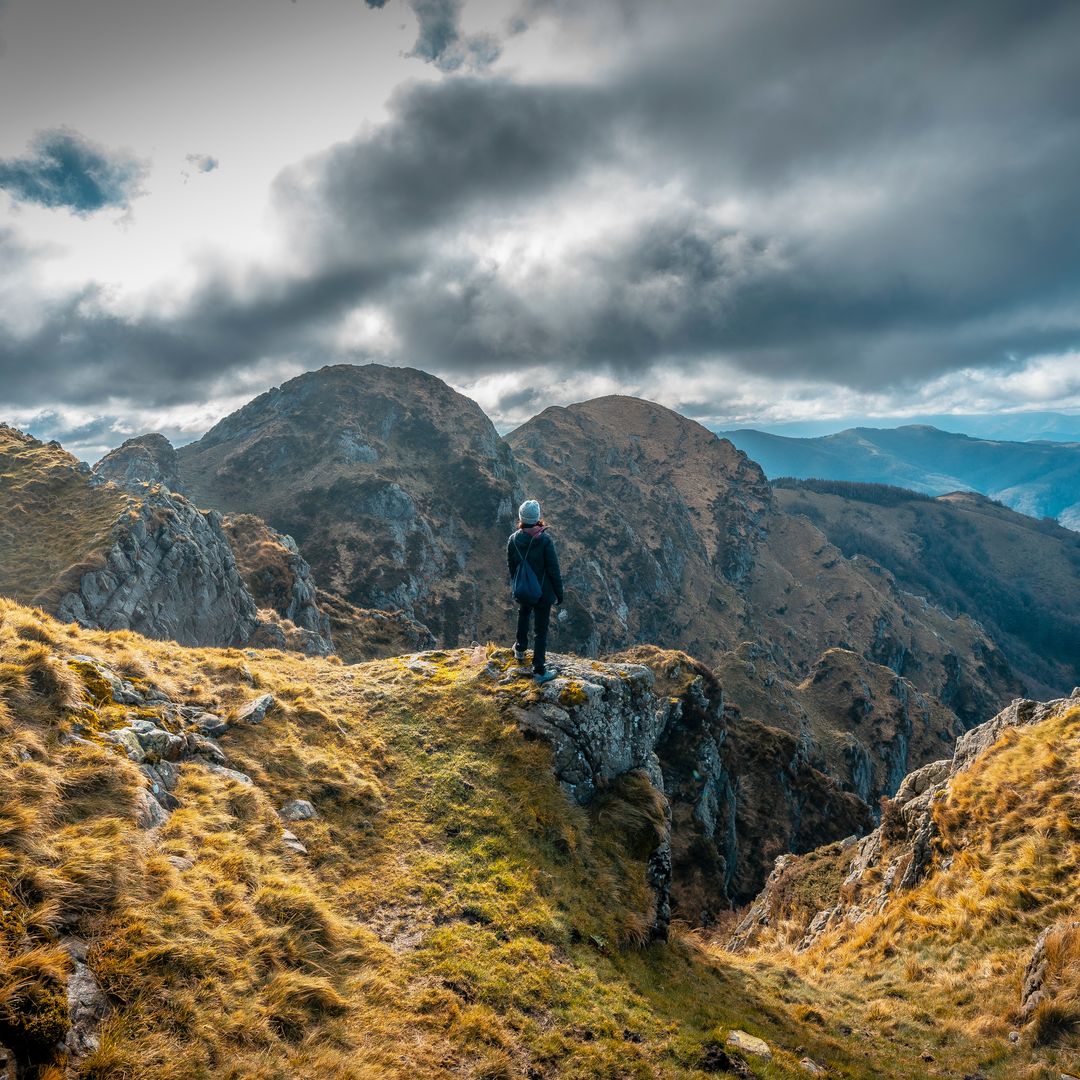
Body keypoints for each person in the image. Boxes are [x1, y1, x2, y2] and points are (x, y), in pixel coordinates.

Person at [507, 499, 564, 683]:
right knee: (541, 630)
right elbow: (554, 570)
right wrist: (559, 593)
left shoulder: (514, 539)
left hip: (524, 588)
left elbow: (512, 567)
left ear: (521, 518)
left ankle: (520, 649)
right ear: (537, 517)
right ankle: (539, 671)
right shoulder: (545, 541)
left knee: (523, 614)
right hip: (543, 592)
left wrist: (518, 584)